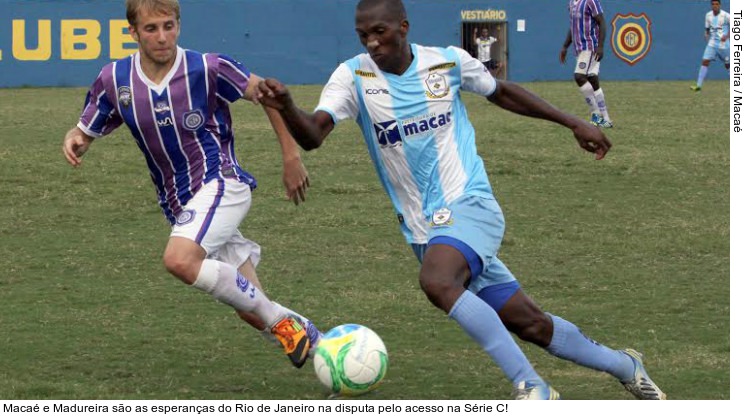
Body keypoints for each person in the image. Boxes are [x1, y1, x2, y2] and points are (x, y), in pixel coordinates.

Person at [256, 0, 666, 400]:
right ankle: (626, 366)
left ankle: (531, 387)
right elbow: (312, 136)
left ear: (403, 27)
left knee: (437, 281)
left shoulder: (447, 61)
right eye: (364, 36)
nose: (372, 44)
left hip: (470, 204)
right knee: (531, 324)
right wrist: (289, 105)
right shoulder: (352, 76)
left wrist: (574, 121)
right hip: (423, 229)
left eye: (380, 32)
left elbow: (501, 92)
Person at [62, 0, 320, 369]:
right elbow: (87, 128)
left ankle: (285, 323)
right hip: (180, 205)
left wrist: (291, 156)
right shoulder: (115, 79)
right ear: (133, 32)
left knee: (179, 260)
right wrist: (76, 139)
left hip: (221, 182)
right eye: (151, 29)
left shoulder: (208, 67)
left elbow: (269, 94)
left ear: (179, 26)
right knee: (251, 307)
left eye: (169, 26)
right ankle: (326, 348)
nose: (162, 37)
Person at [560, 0, 613, 128]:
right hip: (579, 49)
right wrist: (565, 46)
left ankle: (596, 114)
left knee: (579, 76)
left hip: (590, 47)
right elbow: (573, 27)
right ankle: (606, 119)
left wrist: (600, 46)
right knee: (592, 80)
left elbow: (602, 22)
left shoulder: (591, 1)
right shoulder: (572, 2)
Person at [691, 0, 730, 92]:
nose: (715, 6)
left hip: (723, 45)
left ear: (720, 5)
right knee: (705, 61)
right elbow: (707, 28)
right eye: (713, 4)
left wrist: (727, 36)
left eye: (717, 4)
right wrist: (706, 34)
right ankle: (698, 86)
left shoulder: (726, 15)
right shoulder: (708, 15)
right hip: (712, 44)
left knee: (729, 65)